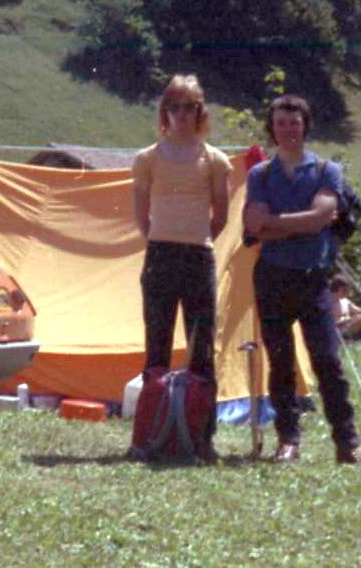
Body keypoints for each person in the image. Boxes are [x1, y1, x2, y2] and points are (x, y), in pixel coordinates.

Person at [243, 94, 361, 465]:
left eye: (294, 123)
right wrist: (305, 225)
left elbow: (322, 216)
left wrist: (276, 225)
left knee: (327, 361)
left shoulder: (327, 170)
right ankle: (288, 441)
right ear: (273, 128)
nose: (288, 130)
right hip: (272, 278)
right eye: (281, 123)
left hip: (314, 280)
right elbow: (257, 225)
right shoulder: (260, 174)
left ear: (305, 126)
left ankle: (347, 444)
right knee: (280, 362)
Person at [131, 74, 232, 462]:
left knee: (201, 346)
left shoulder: (215, 160)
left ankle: (202, 439)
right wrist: (160, 238)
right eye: (175, 106)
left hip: (198, 258)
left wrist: (195, 238)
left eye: (190, 107)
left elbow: (220, 215)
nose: (182, 114)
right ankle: (149, 435)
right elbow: (141, 214)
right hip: (159, 256)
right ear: (165, 112)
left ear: (200, 111)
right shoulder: (147, 159)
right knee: (156, 345)